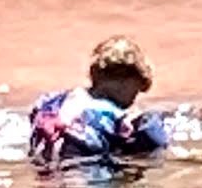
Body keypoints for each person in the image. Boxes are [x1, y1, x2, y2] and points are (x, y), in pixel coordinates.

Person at [29, 36, 170, 166]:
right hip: (84, 172)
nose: (133, 98)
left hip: (44, 167)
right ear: (127, 80)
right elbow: (154, 145)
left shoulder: (51, 100)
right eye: (137, 88)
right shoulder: (117, 119)